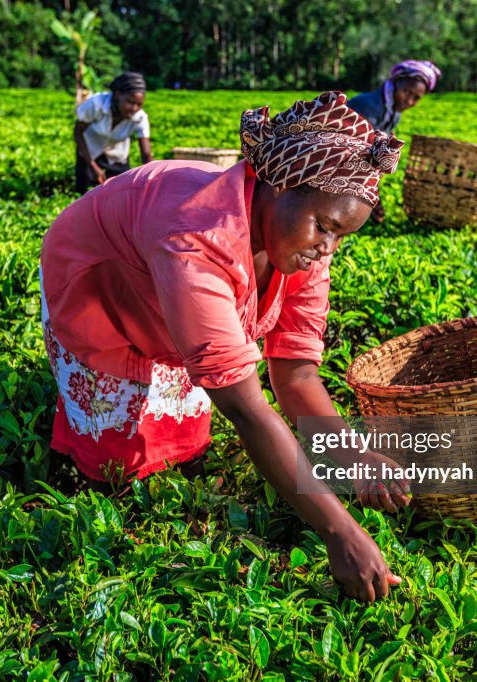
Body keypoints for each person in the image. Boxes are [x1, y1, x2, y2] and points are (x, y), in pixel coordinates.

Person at [41, 91, 412, 603]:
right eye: (325, 227)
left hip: (164, 282)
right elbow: (246, 407)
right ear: (280, 185)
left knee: (186, 435)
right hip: (98, 282)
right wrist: (340, 532)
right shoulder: (196, 238)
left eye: (341, 236)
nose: (328, 248)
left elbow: (296, 374)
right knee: (114, 467)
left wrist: (354, 456)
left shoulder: (305, 246)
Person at [347, 60, 442, 222]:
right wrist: (372, 197)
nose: (409, 101)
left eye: (416, 98)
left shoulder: (393, 114)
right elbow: (355, 159)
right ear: (396, 82)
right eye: (406, 92)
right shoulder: (369, 107)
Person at [73, 72, 153, 193]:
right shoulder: (96, 104)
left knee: (120, 192)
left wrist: (150, 180)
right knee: (85, 192)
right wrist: (93, 166)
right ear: (118, 94)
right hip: (89, 152)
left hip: (117, 156)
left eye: (139, 104)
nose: (134, 108)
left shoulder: (140, 117)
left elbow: (146, 153)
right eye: (130, 102)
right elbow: (78, 133)